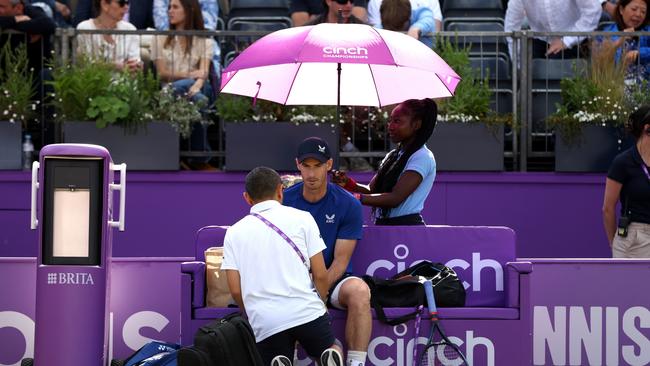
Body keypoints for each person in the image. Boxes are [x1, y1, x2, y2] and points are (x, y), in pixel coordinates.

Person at [222, 166, 344, 366]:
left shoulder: (234, 232)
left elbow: (235, 289)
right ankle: (329, 354)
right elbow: (320, 274)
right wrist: (321, 304)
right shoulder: (303, 219)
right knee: (332, 345)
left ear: (247, 197)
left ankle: (280, 361)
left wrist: (251, 311)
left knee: (277, 359)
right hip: (306, 311)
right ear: (280, 190)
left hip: (265, 319)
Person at [283, 137, 370, 366]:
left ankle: (356, 363)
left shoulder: (349, 204)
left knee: (360, 291)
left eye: (318, 166)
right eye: (306, 166)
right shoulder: (283, 201)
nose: (312, 174)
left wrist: (315, 292)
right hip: (293, 282)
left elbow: (340, 263)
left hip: (333, 281)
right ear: (298, 165)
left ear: (329, 165)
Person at [332, 98, 437, 225]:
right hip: (383, 226)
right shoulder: (393, 155)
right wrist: (347, 183)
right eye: (390, 120)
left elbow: (395, 198)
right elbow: (371, 190)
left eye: (397, 121)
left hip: (407, 229)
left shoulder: (422, 156)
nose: (390, 126)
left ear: (416, 125)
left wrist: (354, 197)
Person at [151, 0, 214, 169]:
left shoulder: (204, 40)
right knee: (196, 98)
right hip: (171, 91)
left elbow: (204, 73)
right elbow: (162, 73)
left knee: (195, 93)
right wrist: (189, 77)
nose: (170, 11)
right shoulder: (160, 38)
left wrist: (196, 85)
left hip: (198, 87)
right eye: (169, 7)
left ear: (189, 10)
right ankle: (199, 159)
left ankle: (186, 158)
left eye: (175, 7)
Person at [603, 106, 650, 258]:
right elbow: (608, 208)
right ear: (647, 128)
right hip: (633, 240)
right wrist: (614, 243)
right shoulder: (623, 162)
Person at [504, 0, 602, 59]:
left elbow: (593, 10)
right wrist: (519, 64)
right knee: (529, 68)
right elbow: (511, 25)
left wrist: (567, 41)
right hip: (539, 40)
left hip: (576, 41)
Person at [76, 0, 142, 72]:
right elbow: (88, 64)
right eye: (121, 3)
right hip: (94, 81)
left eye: (127, 3)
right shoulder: (85, 28)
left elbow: (135, 62)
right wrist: (115, 66)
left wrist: (136, 66)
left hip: (125, 82)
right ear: (104, 4)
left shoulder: (130, 29)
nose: (126, 7)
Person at [600, 0, 649, 85]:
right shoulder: (607, 32)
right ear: (621, 10)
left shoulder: (647, 31)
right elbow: (599, 60)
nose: (638, 14)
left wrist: (639, 53)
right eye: (634, 9)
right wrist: (619, 42)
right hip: (614, 88)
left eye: (643, 12)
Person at [0, 0, 56, 74]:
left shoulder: (32, 11)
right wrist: (15, 19)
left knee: (46, 74)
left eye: (2, 6)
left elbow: (49, 25)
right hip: (5, 72)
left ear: (18, 7)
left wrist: (8, 24)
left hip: (34, 71)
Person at [368, 0, 441, 33]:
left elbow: (428, 20)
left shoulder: (423, 12)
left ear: (408, 18)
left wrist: (416, 29)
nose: (397, 32)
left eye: (400, 27)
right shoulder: (383, 25)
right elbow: (375, 30)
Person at [291, 0, 367, 26]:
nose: (348, 5)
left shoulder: (363, 29)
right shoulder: (311, 27)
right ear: (328, 1)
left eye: (352, 1)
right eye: (342, 1)